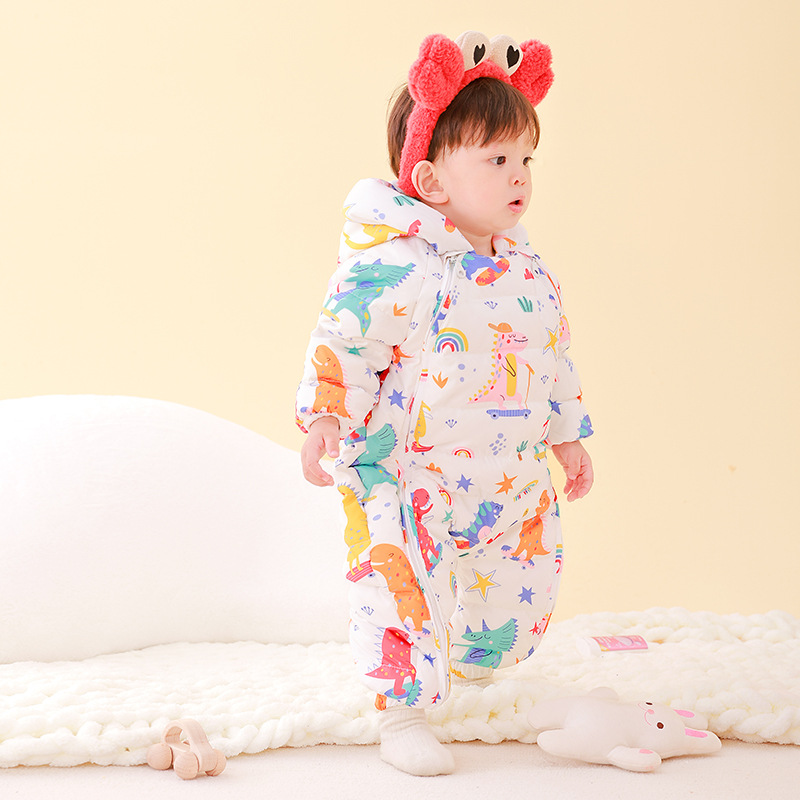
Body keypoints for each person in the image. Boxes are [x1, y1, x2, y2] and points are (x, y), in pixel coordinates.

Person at [296, 31, 594, 776]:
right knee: (401, 594)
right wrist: (326, 415)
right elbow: (345, 340)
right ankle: (402, 711)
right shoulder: (395, 263)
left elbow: (551, 355)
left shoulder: (525, 266)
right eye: (497, 160)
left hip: (508, 472)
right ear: (430, 180)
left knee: (521, 592)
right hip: (408, 474)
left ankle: (476, 668)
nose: (519, 175)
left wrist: (567, 436)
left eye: (526, 159)